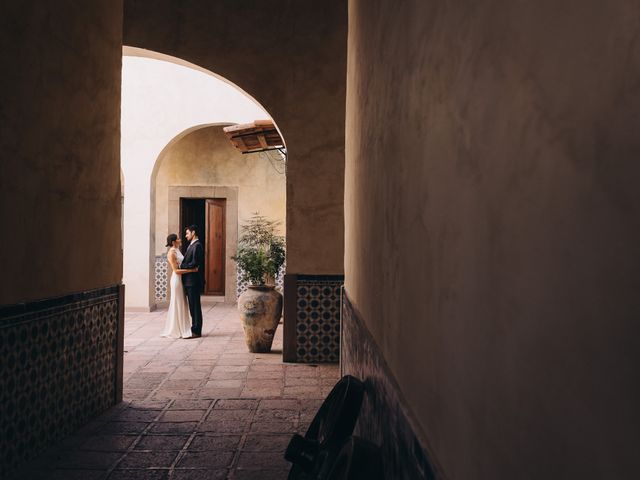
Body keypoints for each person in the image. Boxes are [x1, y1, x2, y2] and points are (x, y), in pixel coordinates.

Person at [160, 234, 198, 339]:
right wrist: (191, 270)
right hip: (176, 280)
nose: (180, 239)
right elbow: (176, 270)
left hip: (181, 280)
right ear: (173, 242)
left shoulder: (177, 250)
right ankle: (177, 329)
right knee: (177, 303)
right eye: (177, 238)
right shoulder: (171, 253)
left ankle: (182, 327)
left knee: (181, 303)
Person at [181, 225, 205, 337]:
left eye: (187, 233)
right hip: (189, 281)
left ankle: (196, 330)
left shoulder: (197, 245)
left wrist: (182, 266)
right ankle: (194, 328)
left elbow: (195, 263)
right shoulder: (192, 245)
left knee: (195, 307)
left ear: (193, 233)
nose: (186, 236)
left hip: (193, 281)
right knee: (192, 306)